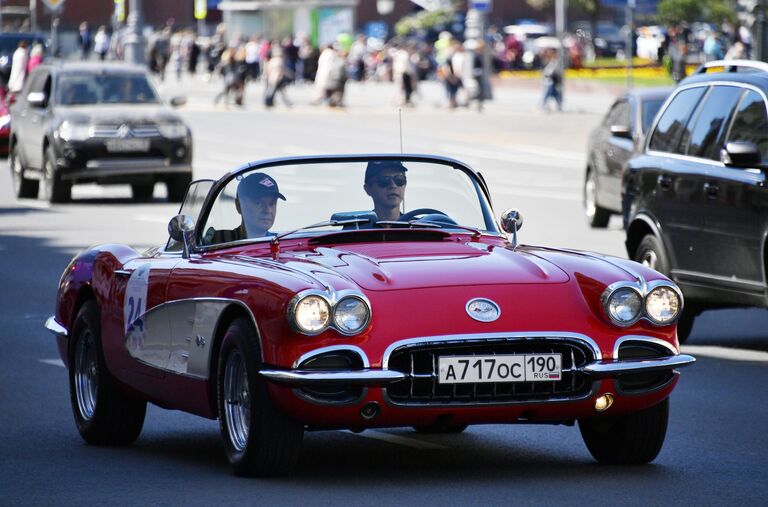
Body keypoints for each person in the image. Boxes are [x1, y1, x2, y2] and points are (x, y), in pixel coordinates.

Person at [205, 173, 286, 244]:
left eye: (271, 203)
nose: (267, 210)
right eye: (258, 203)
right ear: (239, 205)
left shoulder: (283, 244)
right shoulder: (217, 241)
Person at [541, 48, 563, 112]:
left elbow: (552, 71)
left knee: (550, 92)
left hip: (552, 79)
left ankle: (545, 104)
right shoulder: (549, 60)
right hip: (549, 79)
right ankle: (557, 104)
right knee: (553, 93)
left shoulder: (556, 61)